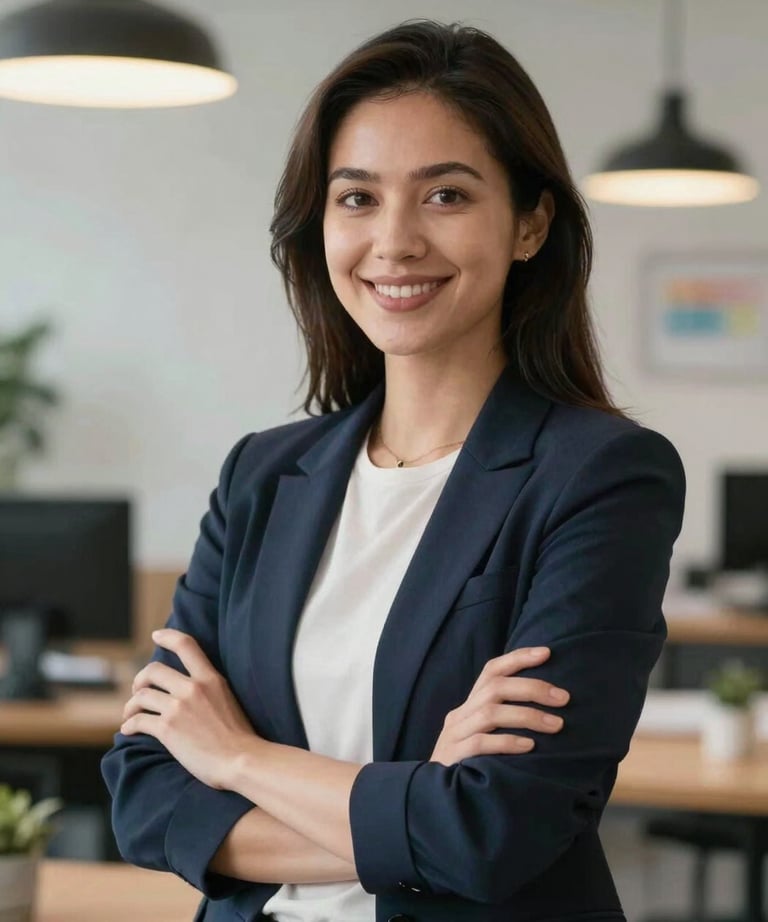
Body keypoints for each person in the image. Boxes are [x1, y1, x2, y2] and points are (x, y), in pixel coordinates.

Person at [102, 19, 685, 922]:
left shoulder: (602, 477)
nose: (395, 240)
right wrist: (414, 802)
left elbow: (493, 831)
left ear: (530, 224)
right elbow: (146, 798)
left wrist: (235, 758)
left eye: (445, 195)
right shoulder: (263, 476)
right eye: (357, 198)